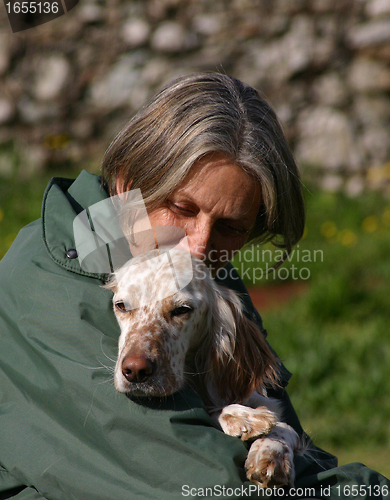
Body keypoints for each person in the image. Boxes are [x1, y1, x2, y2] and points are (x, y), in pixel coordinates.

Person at [0, 72, 388, 500]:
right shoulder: (54, 290)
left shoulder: (207, 284)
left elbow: (286, 457)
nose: (200, 246)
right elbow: (209, 486)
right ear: (130, 182)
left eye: (229, 227)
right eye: (182, 207)